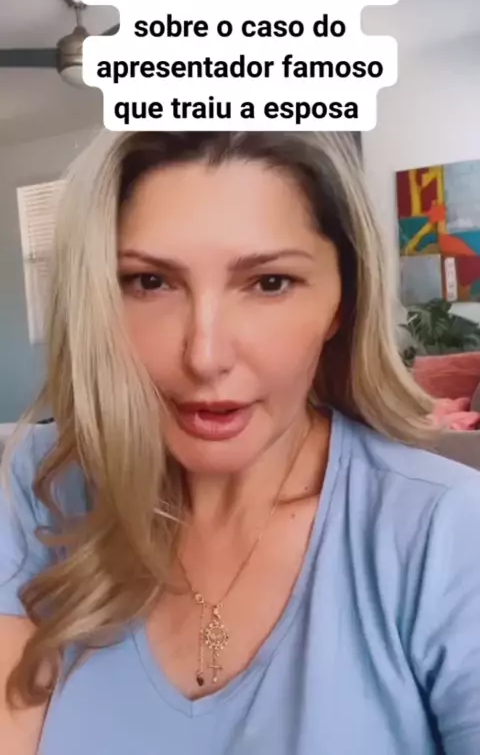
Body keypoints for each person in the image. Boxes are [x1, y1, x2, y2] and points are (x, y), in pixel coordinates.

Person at [1, 130, 480, 755]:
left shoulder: (447, 531)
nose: (205, 356)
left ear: (342, 300)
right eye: (150, 282)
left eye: (270, 282)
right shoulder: (39, 486)